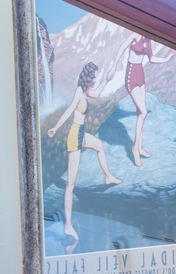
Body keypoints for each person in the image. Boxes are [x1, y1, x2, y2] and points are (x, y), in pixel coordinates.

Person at [46, 61, 122, 253]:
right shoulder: (80, 92)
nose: (95, 78)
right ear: (88, 76)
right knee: (70, 185)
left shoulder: (87, 91)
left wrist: (106, 79)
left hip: (80, 133)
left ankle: (108, 176)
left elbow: (96, 94)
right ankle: (68, 225)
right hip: (74, 136)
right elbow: (70, 110)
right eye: (94, 76)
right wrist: (55, 128)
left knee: (99, 146)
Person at [123, 33, 172, 166]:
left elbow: (151, 59)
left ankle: (139, 147)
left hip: (140, 75)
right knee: (144, 112)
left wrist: (166, 59)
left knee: (141, 114)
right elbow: (122, 47)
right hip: (131, 75)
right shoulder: (135, 36)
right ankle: (134, 148)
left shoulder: (149, 41)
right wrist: (112, 67)